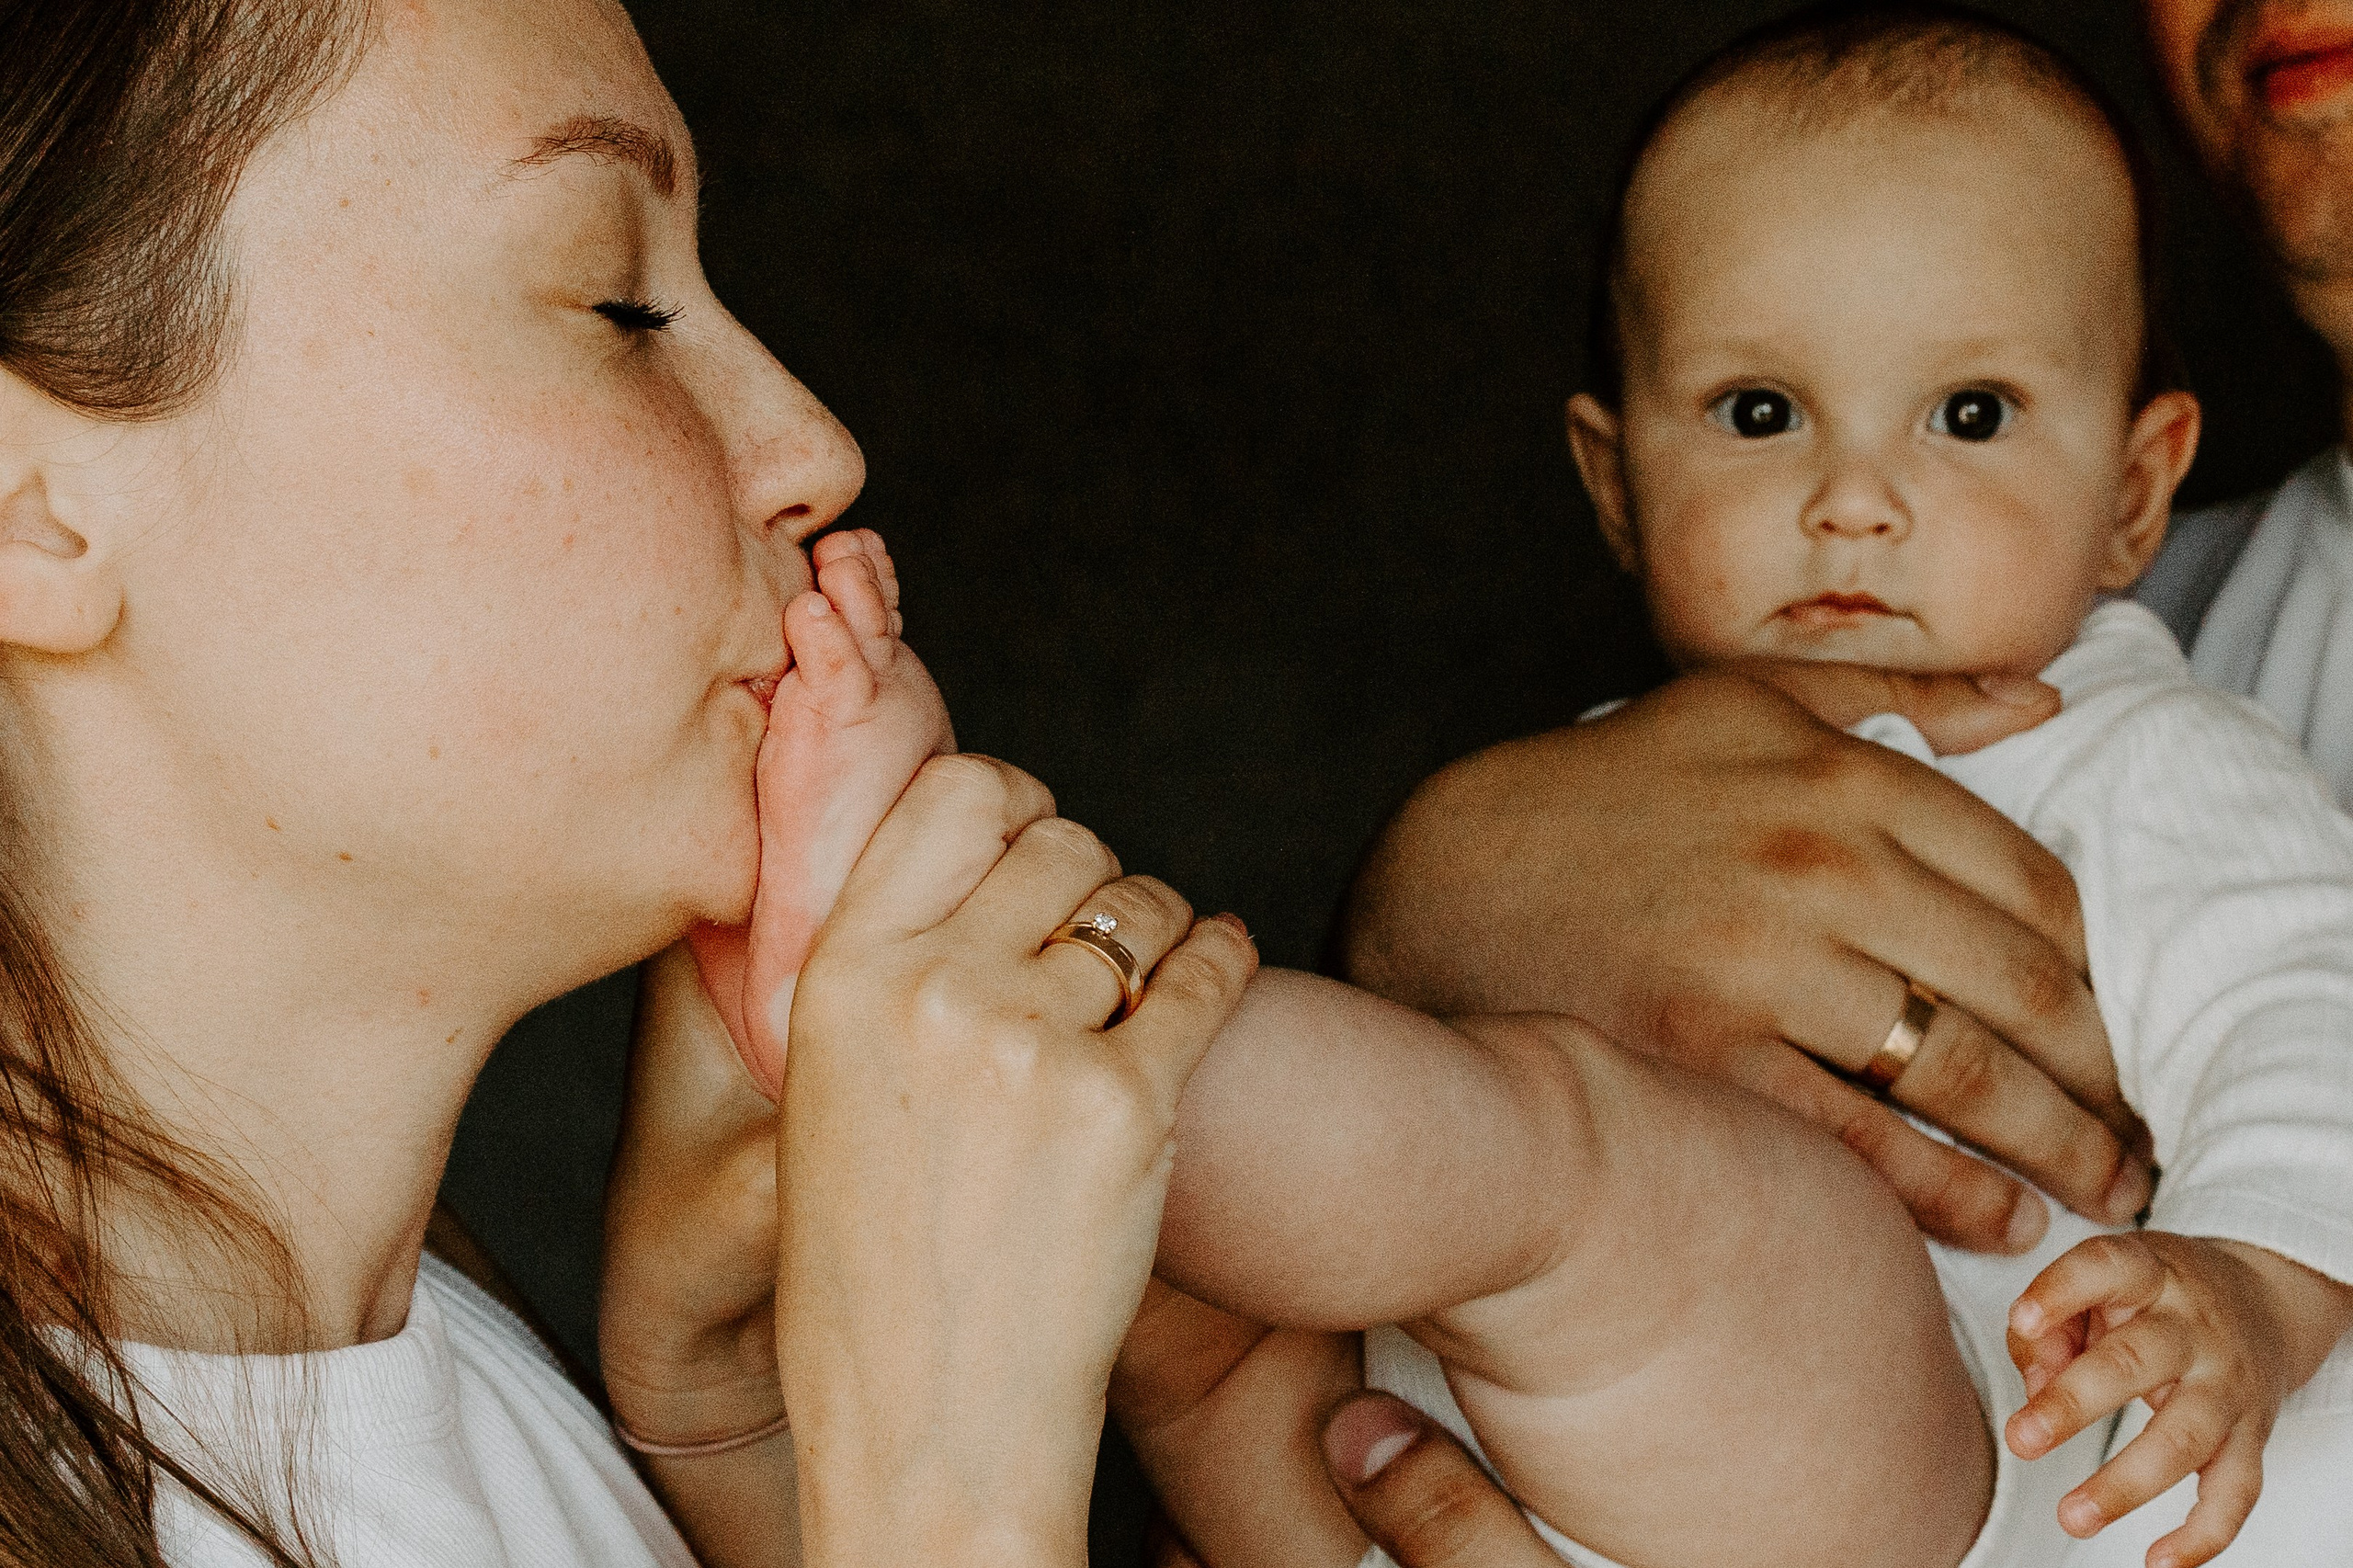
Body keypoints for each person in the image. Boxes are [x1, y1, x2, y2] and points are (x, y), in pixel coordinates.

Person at [0, 2, 1262, 1565]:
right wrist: (945, 1501)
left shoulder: (456, 1398)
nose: (816, 446)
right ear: (30, 512)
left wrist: (730, 1421)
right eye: (618, 303)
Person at [1294, 1, 2353, 1564]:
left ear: (2130, 485)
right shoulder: (1618, 771)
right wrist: (1432, 887)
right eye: (1758, 414)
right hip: (1528, 1476)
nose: (1853, 503)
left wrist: (2253, 1287)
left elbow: (2308, 1025)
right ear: (1617, 478)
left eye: (1970, 417)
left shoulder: (2159, 741)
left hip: (1946, 1467)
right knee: (1241, 1320)